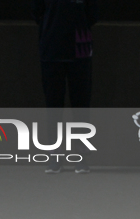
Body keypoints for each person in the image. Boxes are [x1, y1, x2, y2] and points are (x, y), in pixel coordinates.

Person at [32, 0, 98, 174]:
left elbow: (93, 15)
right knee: (53, 107)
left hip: (80, 50)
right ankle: (55, 158)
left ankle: (81, 159)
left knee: (81, 105)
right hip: (51, 50)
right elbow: (36, 12)